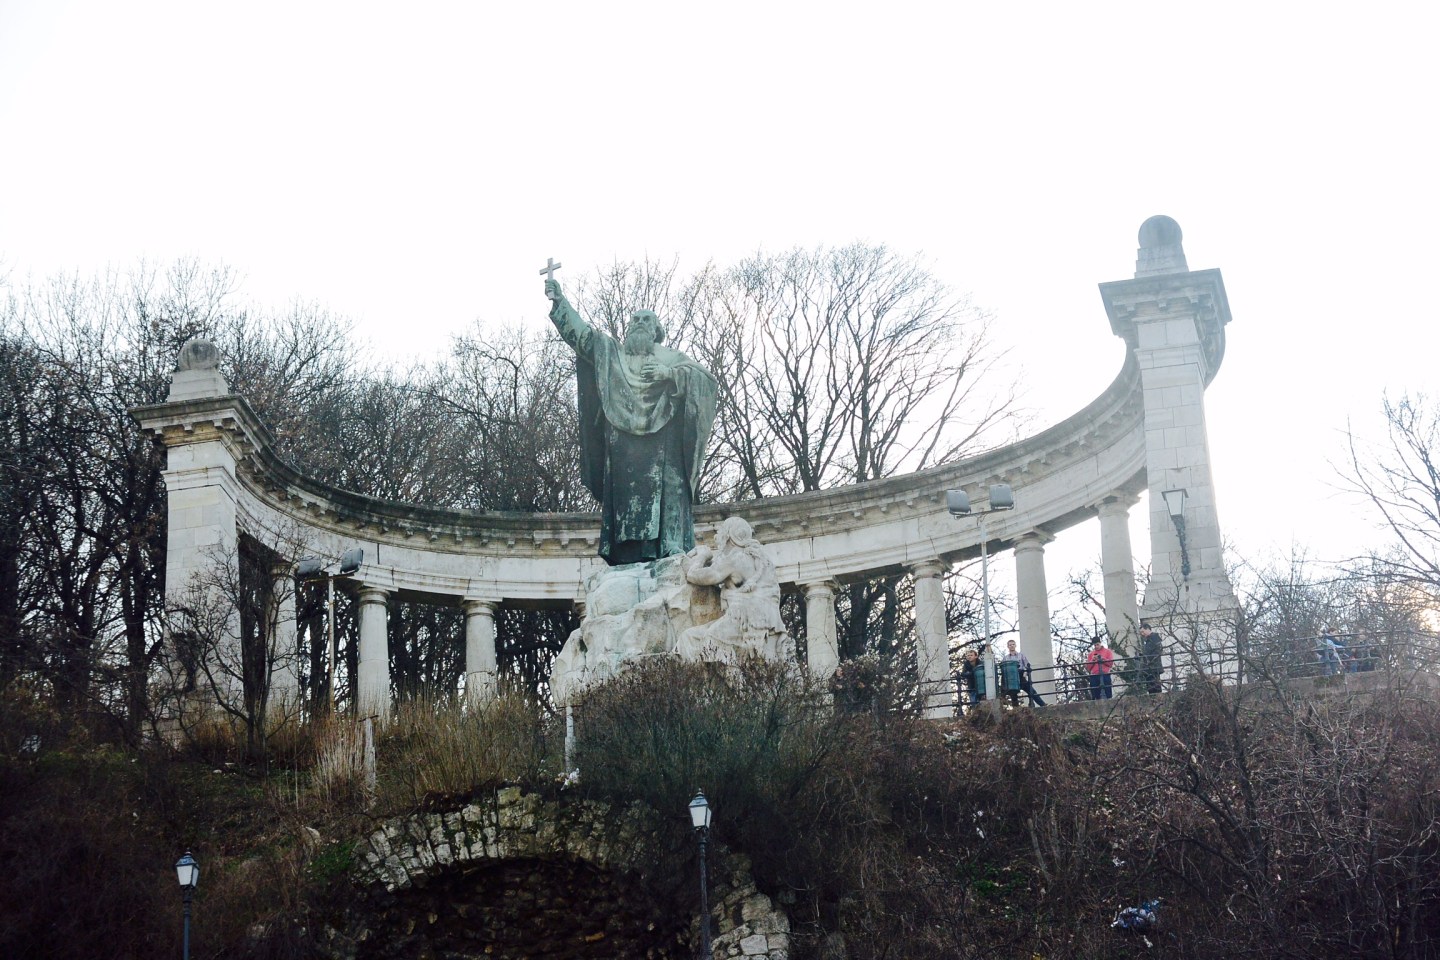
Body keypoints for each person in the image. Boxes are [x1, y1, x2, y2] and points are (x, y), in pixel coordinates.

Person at [545, 276, 719, 565]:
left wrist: (669, 375)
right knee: (625, 501)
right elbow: (583, 337)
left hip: (665, 441)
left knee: (670, 491)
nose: (639, 323)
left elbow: (707, 384)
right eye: (635, 319)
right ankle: (626, 554)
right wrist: (560, 304)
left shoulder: (672, 358)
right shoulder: (612, 353)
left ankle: (669, 547)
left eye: (646, 320)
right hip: (623, 445)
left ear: (656, 330)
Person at [674, 516, 789, 662]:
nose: (717, 538)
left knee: (709, 642)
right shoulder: (762, 560)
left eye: (721, 533)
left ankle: (727, 675)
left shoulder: (735, 558)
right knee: (689, 637)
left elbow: (694, 575)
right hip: (768, 622)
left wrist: (703, 556)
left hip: (746, 620)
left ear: (730, 536)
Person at [999, 638, 1046, 707]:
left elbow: (1027, 665)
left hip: (1021, 675)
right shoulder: (1005, 658)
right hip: (1011, 677)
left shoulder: (1021, 655)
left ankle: (1043, 705)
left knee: (1031, 690)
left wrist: (1025, 673)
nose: (1012, 646)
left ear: (1015, 645)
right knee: (1013, 694)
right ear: (1008, 646)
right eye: (1010, 645)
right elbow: (1004, 668)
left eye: (1013, 644)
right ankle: (1016, 709)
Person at [1085, 635, 1114, 700]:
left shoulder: (1108, 652)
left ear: (1100, 643)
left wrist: (1102, 659)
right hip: (1094, 675)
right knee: (1095, 692)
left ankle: (1109, 699)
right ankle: (1095, 700)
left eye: (1097, 644)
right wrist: (1093, 660)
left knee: (1108, 691)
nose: (1096, 646)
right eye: (1095, 645)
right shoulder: (1091, 654)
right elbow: (1088, 668)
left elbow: (1110, 663)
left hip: (1105, 674)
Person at [1138, 621, 1164, 694]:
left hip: (1153, 666)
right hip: (1150, 667)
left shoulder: (1153, 638)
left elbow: (1155, 652)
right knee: (1151, 687)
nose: (1142, 634)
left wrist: (1146, 658)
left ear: (1148, 629)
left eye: (1143, 631)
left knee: (1154, 686)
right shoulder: (1150, 640)